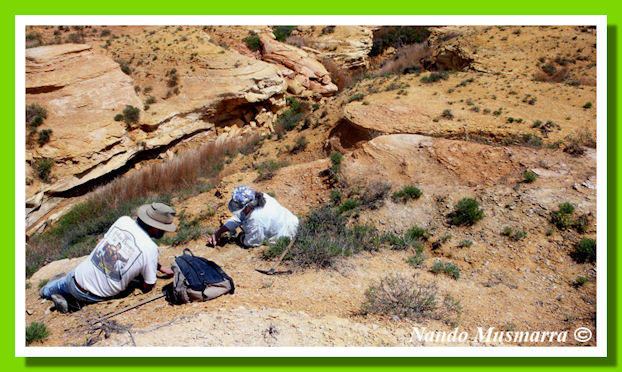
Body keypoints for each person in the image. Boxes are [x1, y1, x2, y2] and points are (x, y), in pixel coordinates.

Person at [39, 202, 177, 313]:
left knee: (60, 283)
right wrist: (149, 274)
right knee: (133, 280)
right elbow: (149, 285)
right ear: (155, 228)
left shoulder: (123, 220)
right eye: (164, 228)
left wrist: (159, 267)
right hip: (92, 296)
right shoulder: (150, 248)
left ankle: (46, 291)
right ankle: (71, 305)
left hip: (75, 277)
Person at [209, 186, 299, 248]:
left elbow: (252, 242)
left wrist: (241, 237)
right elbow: (240, 216)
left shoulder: (256, 220)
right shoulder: (261, 197)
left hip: (286, 236)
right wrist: (220, 231)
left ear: (248, 206)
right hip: (292, 221)